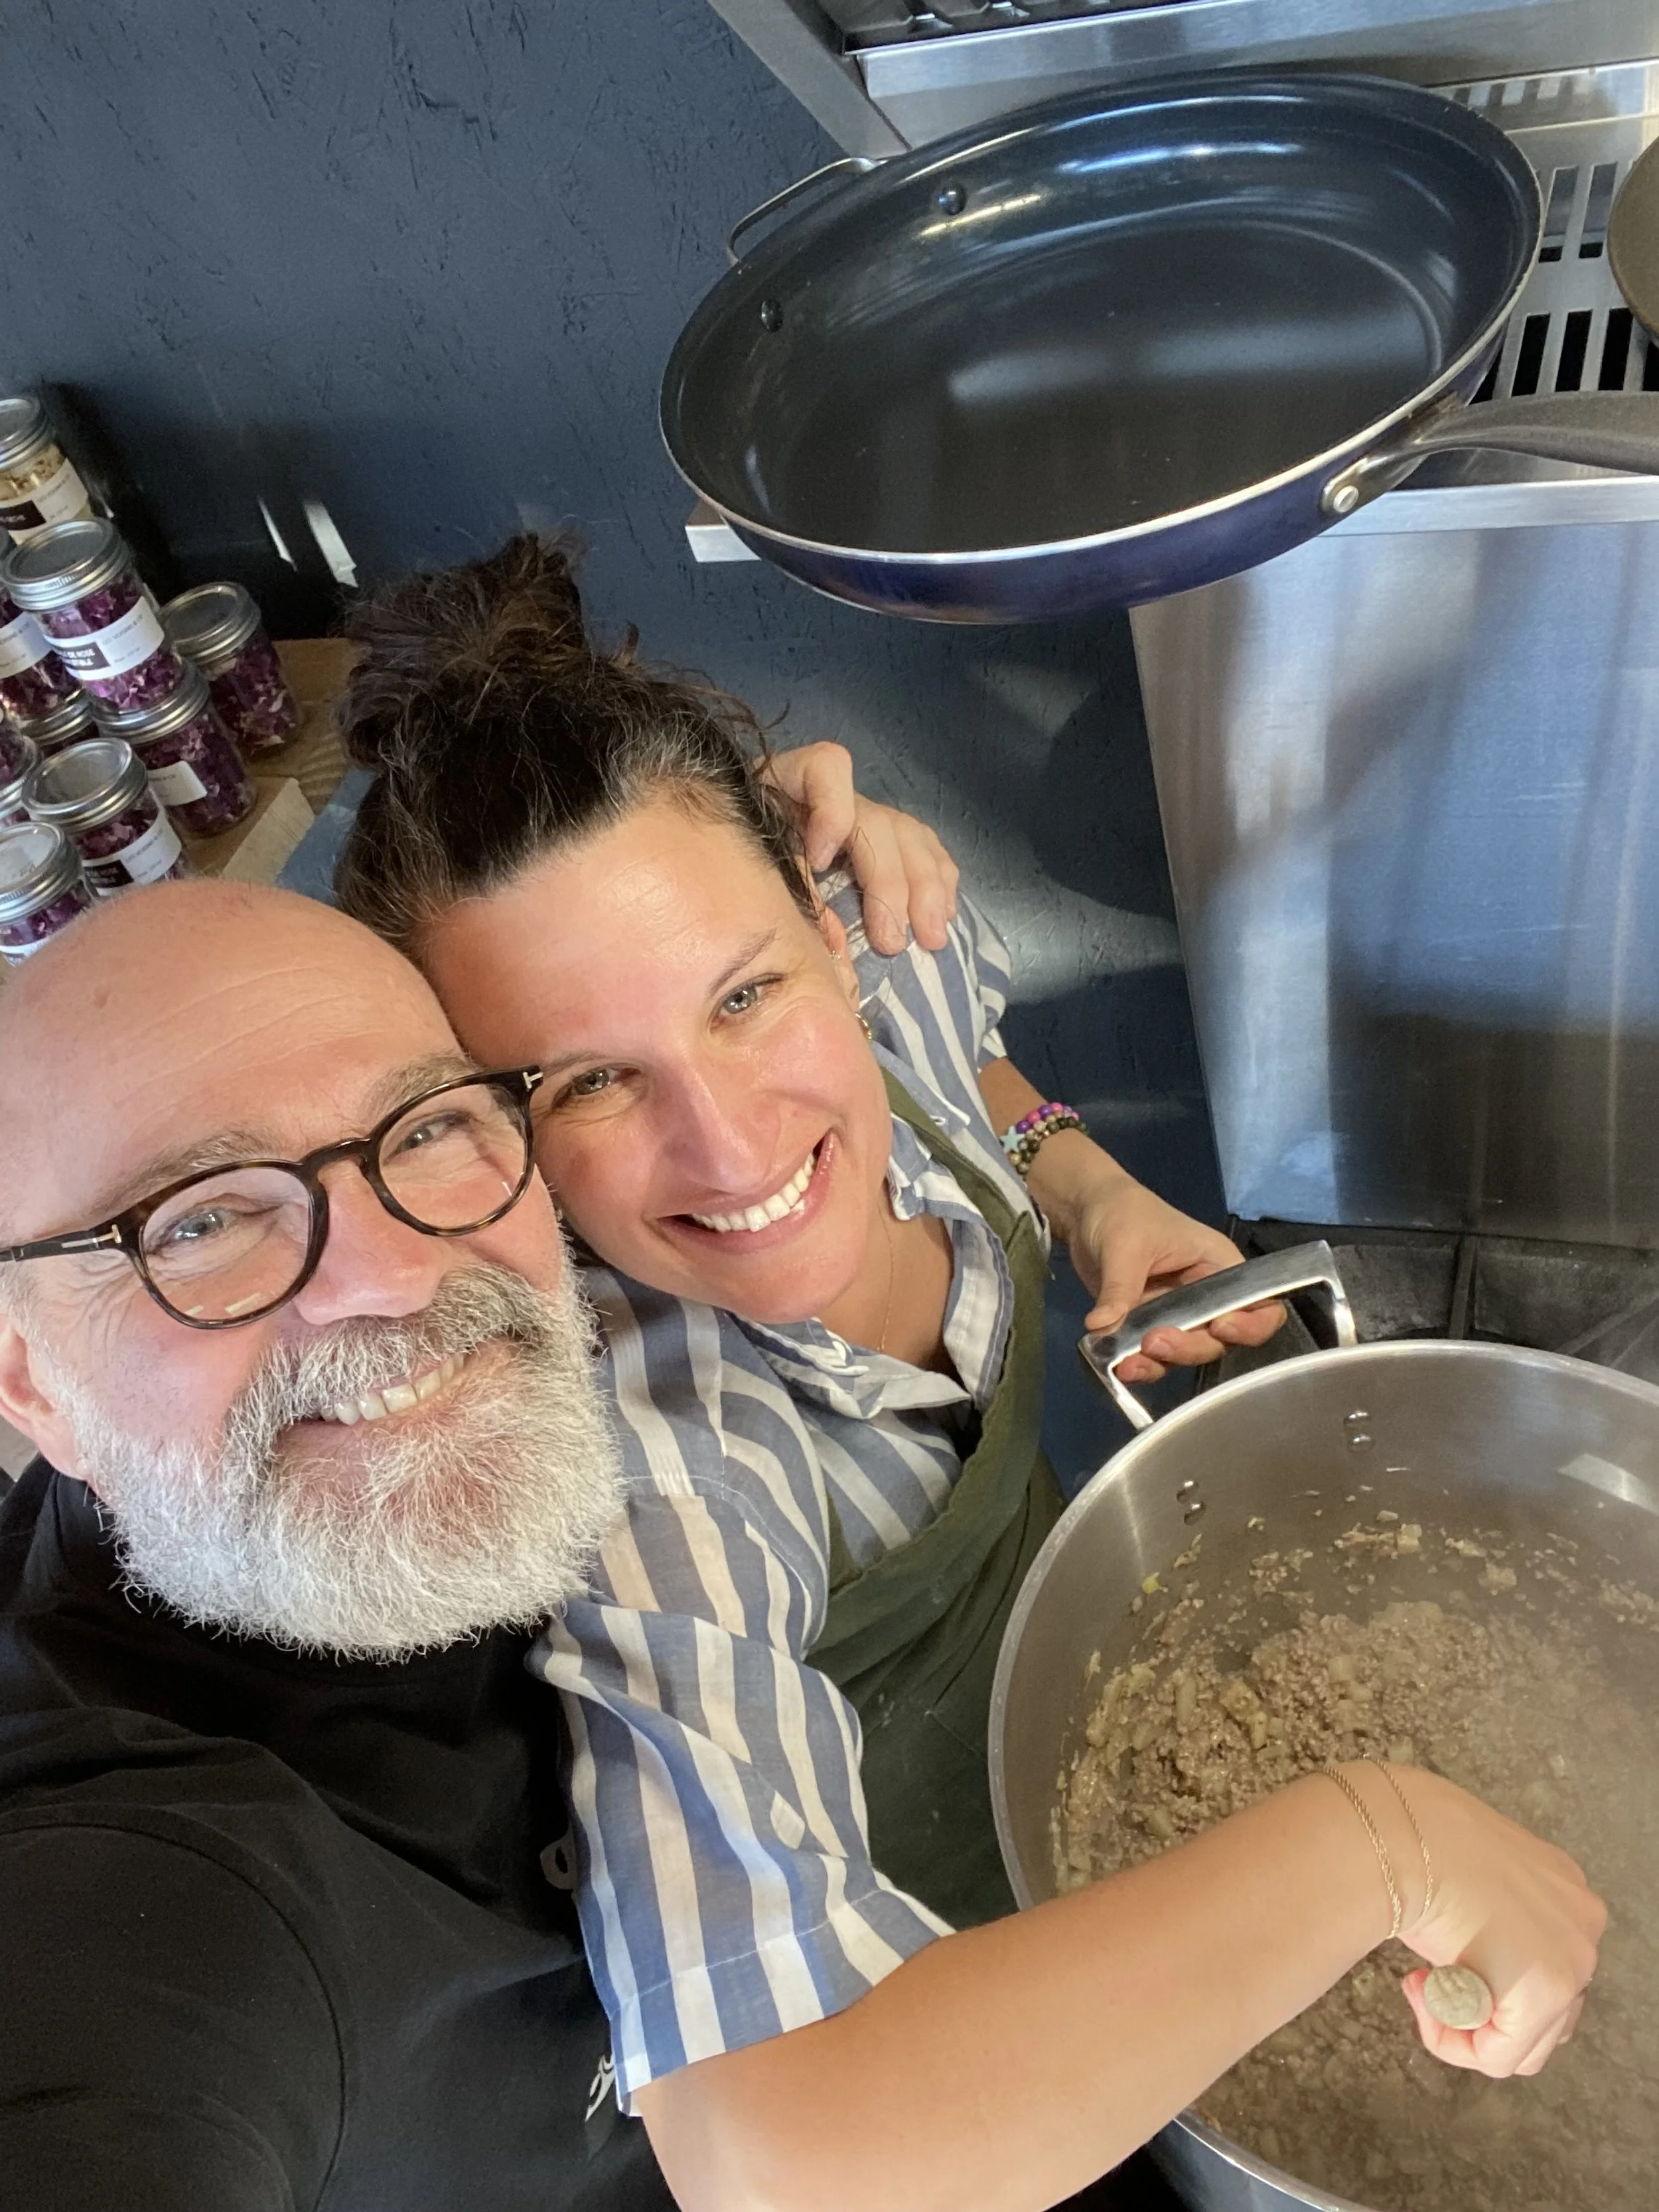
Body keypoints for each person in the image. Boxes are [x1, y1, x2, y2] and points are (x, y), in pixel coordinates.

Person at [0, 882, 1604, 2212]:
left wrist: (1078, 1172)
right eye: (196, 1219)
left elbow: (896, 1006)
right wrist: (1377, 1838)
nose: (385, 1276)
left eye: (419, 1129)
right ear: (23, 1376)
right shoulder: (142, 1892)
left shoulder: (760, 1048)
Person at [325, 536, 1602, 2200]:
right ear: (479, 1140)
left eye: (742, 993)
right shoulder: (664, 1466)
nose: (731, 1143)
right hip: (943, 1956)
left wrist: (1078, 1183)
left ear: (824, 922)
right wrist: (1385, 1838)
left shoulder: (897, 955)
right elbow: (778, 2162)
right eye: (583, 1084)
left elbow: (968, 1058)